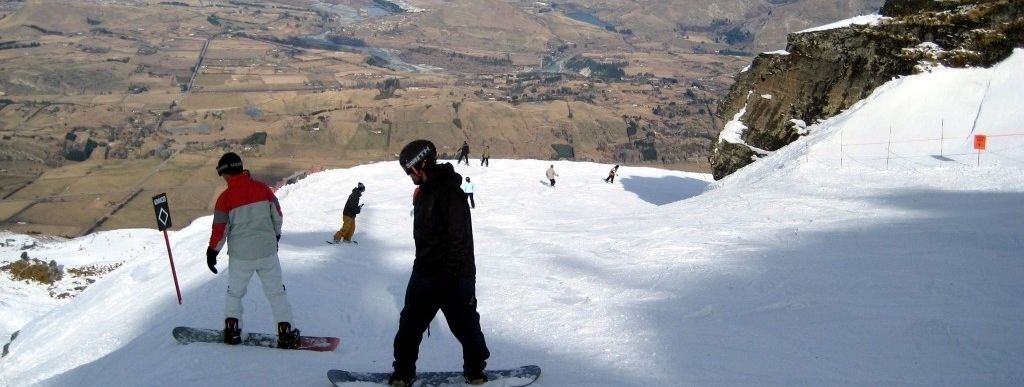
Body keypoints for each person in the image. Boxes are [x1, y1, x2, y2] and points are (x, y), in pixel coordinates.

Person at [389, 140, 490, 387]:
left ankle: (475, 372)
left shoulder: (450, 193)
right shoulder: (424, 190)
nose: (408, 176)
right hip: (425, 269)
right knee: (410, 326)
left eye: (409, 170)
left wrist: (450, 275)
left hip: (454, 274)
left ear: (422, 164)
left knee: (465, 326)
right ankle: (403, 372)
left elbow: (459, 237)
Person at [206, 152, 300, 349]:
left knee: (235, 294)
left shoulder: (225, 199)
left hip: (241, 257)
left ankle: (232, 331)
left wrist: (212, 252)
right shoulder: (263, 190)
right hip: (267, 252)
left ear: (226, 173)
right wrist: (275, 235)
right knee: (276, 293)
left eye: (222, 174)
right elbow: (277, 215)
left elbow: (220, 230)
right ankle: (286, 333)